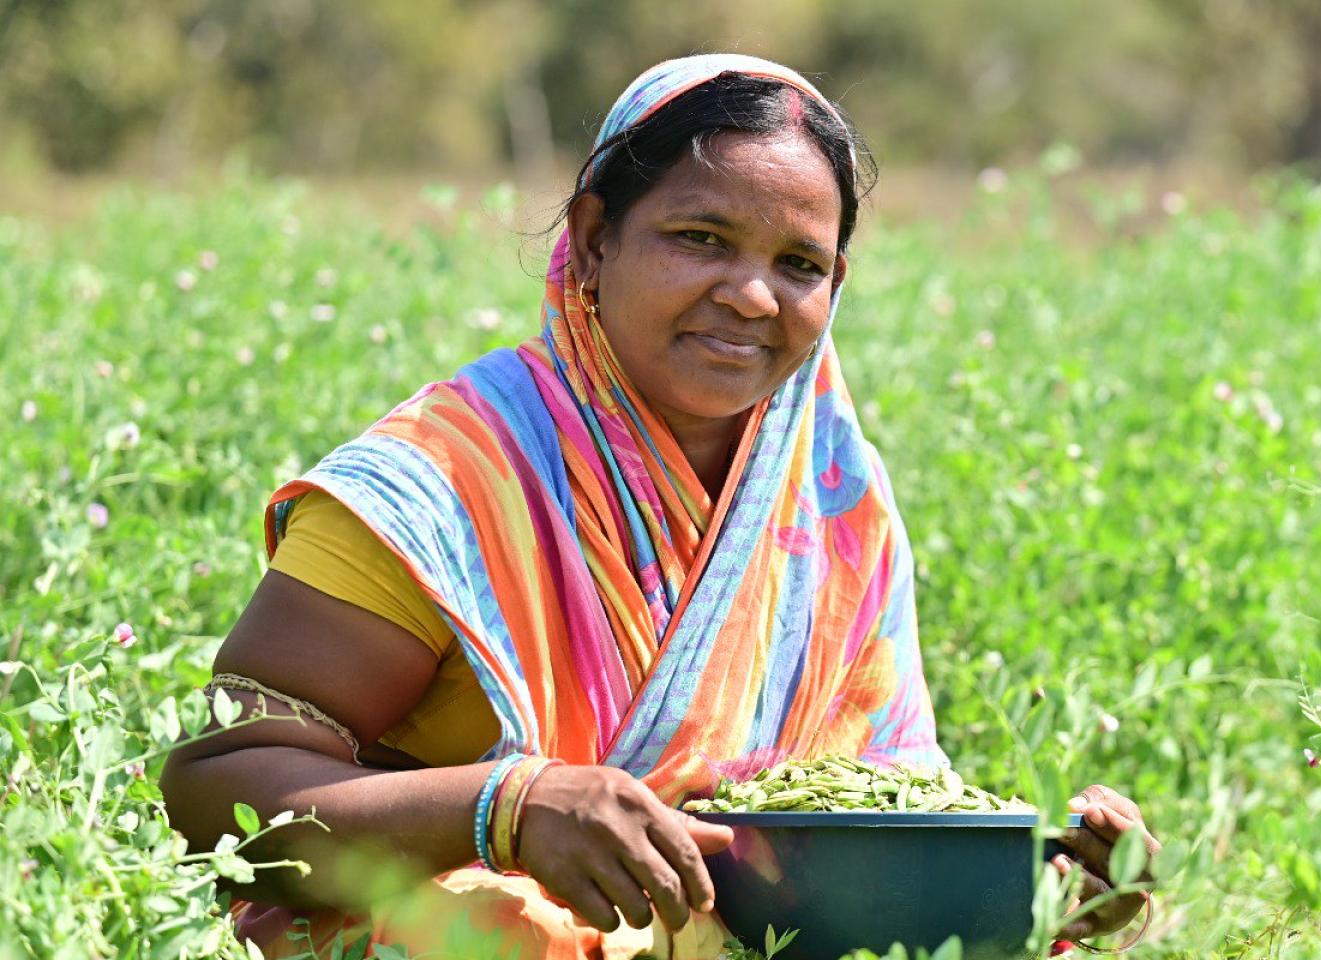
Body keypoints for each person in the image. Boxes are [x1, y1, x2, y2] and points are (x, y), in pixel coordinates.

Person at [158, 53, 1158, 959]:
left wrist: (1037, 895)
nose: (753, 296)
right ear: (595, 240)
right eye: (701, 238)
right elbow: (214, 796)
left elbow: (853, 843)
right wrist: (505, 810)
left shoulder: (837, 511)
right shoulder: (444, 483)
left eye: (799, 265)